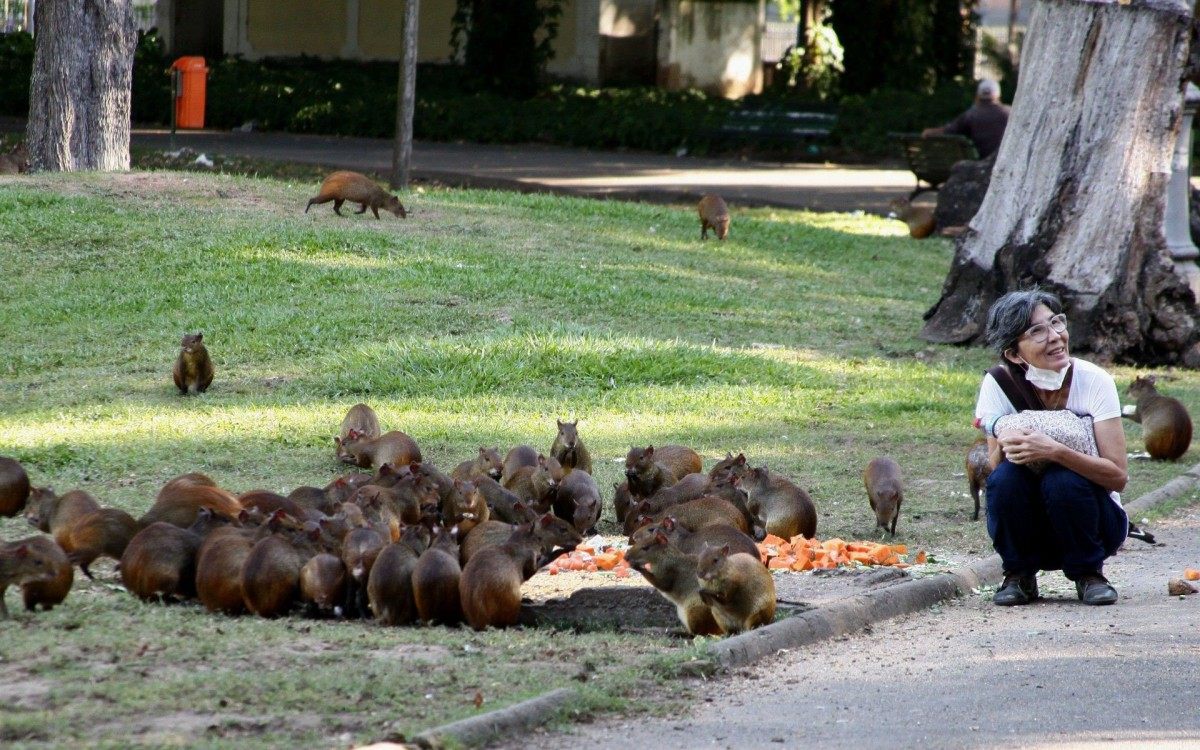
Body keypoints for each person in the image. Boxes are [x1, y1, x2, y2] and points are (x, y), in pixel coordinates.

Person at [974, 290, 1129, 606]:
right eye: (1037, 332)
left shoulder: (1094, 380)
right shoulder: (999, 384)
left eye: (1056, 323)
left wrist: (1056, 451)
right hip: (1033, 527)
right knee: (1005, 479)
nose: (1056, 337)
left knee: (1062, 478)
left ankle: (1090, 575)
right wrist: (1008, 437)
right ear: (1014, 355)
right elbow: (995, 468)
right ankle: (1019, 575)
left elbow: (1117, 477)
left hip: (1096, 524)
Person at [922, 79, 1010, 159]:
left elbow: (948, 130)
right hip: (1004, 161)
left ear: (978, 96)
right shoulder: (1010, 113)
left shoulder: (970, 115)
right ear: (998, 95)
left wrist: (930, 132)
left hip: (979, 164)